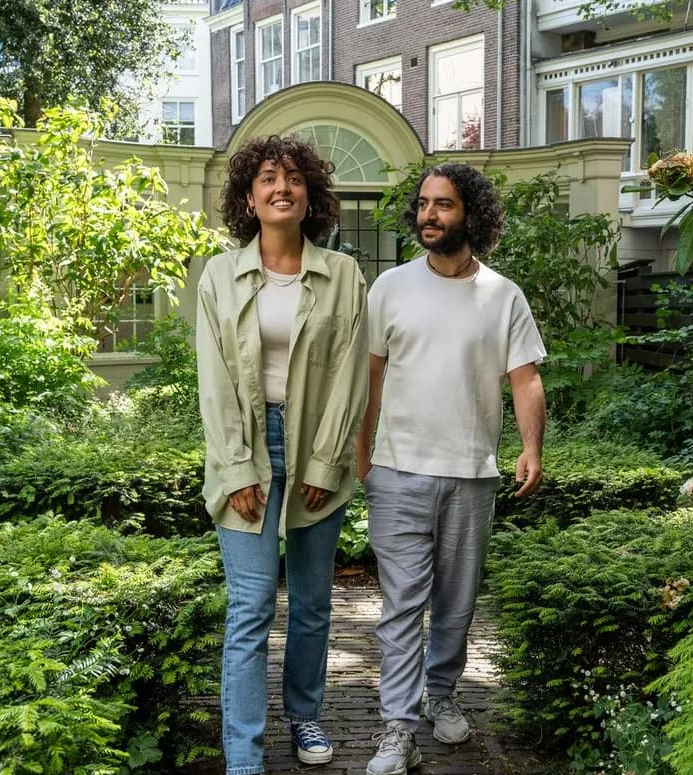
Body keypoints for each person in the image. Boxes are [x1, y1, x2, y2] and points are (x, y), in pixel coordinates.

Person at [356, 163, 546, 775]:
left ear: (472, 214)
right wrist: (362, 454)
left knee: (456, 605)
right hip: (398, 471)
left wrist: (531, 446)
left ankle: (442, 694)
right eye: (423, 204)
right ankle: (397, 729)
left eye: (443, 205)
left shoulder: (502, 295)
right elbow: (370, 377)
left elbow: (526, 378)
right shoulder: (388, 287)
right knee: (402, 606)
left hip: (470, 472)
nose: (429, 215)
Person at [196, 134, 369, 775]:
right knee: (250, 605)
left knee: (314, 600)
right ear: (250, 196)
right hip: (246, 446)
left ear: (310, 196)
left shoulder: (344, 274)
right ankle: (243, 755)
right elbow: (212, 377)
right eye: (268, 177)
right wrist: (238, 465)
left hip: (315, 446)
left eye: (294, 178)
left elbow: (352, 374)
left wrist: (325, 463)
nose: (281, 187)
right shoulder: (220, 275)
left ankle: (306, 718)